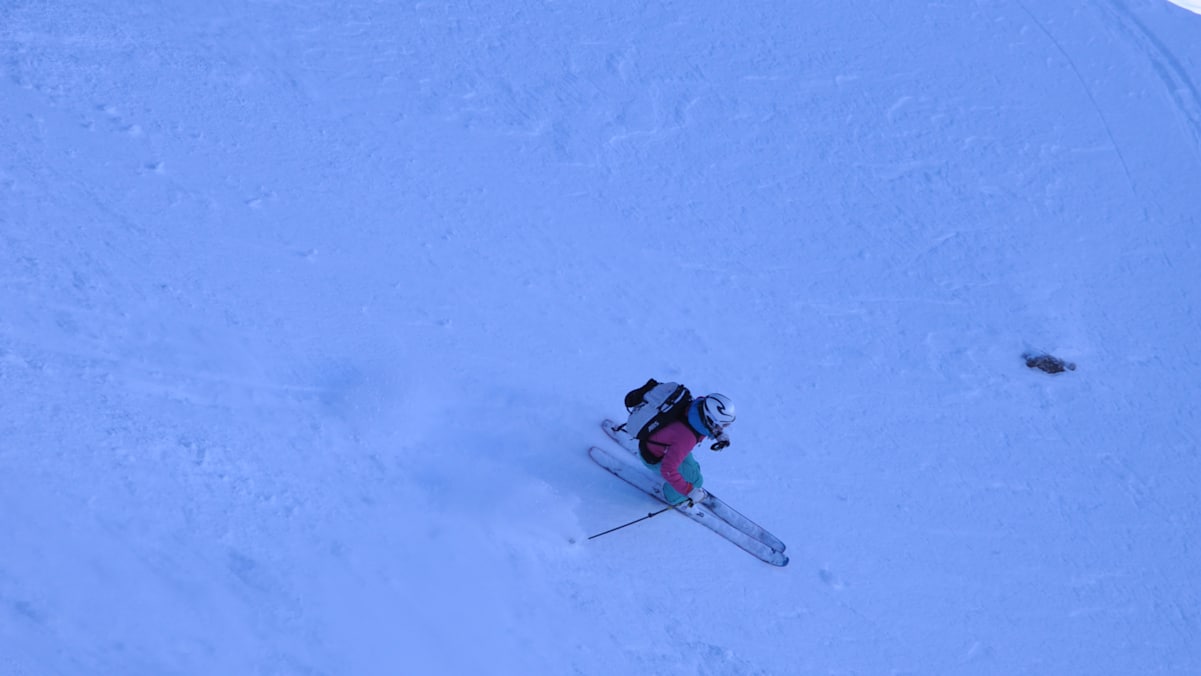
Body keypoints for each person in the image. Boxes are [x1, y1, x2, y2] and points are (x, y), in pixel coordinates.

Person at [637, 394, 736, 506]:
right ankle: (670, 496)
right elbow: (668, 469)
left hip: (662, 444)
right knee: (695, 480)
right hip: (652, 457)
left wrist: (717, 434)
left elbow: (704, 427)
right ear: (710, 420)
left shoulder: (698, 406)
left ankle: (683, 484)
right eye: (722, 425)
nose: (723, 428)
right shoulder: (686, 438)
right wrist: (689, 491)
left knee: (695, 473)